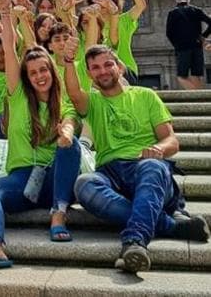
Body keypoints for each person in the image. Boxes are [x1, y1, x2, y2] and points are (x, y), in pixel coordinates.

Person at [64, 43, 211, 274]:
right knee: (84, 184)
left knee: (152, 166)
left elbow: (172, 141)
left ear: (119, 68)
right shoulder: (93, 103)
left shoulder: (146, 96)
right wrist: (68, 61)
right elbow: (73, 93)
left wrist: (158, 149)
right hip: (110, 173)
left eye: (108, 64)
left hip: (148, 168)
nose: (103, 71)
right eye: (95, 67)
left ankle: (134, 241)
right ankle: (170, 225)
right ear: (90, 74)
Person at [0, 0, 81, 271]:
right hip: (22, 178)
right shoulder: (18, 96)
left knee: (71, 145)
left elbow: (70, 121)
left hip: (56, 178)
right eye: (32, 73)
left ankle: (58, 214)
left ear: (51, 71)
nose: (39, 76)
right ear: (26, 77)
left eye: (43, 70)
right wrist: (6, 14)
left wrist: (66, 133)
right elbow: (9, 49)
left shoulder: (63, 100)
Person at [166, 0, 211, 90]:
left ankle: (198, 97)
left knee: (181, 76)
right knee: (197, 74)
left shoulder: (173, 13)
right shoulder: (197, 10)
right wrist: (203, 36)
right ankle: (202, 99)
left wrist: (177, 45)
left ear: (176, 1)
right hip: (197, 46)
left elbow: (169, 33)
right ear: (188, 1)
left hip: (182, 48)